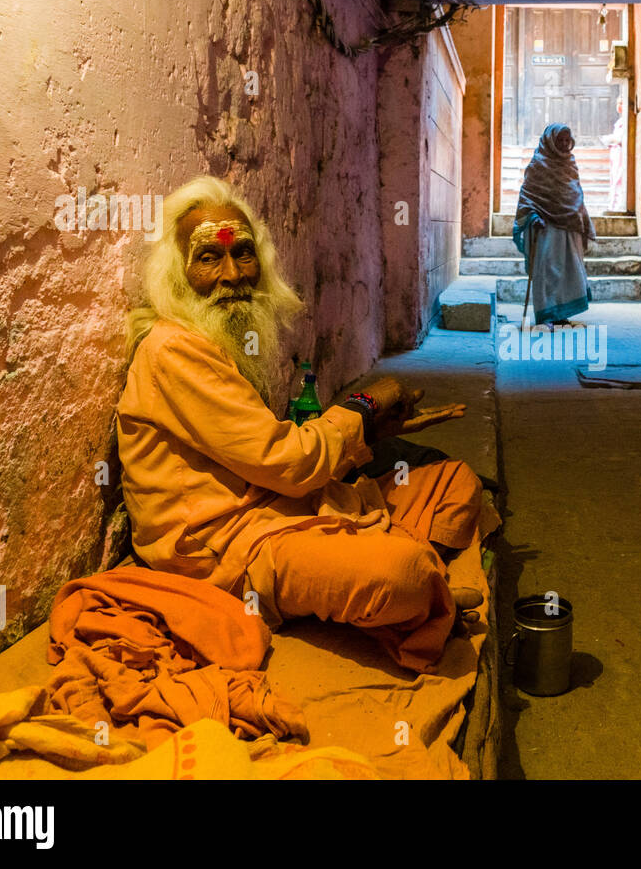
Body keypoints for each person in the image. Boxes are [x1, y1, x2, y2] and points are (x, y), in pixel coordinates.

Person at [117, 177, 490, 675]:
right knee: (403, 575)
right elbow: (287, 463)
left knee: (455, 481)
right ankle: (406, 582)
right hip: (234, 552)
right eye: (209, 258)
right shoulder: (173, 349)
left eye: (242, 254)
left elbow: (270, 458)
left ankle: (385, 580)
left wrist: (371, 433)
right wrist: (360, 404)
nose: (232, 275)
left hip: (284, 509)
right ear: (179, 274)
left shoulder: (215, 335)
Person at [512, 123, 596, 326]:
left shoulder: (570, 165)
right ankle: (546, 315)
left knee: (568, 272)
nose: (565, 144)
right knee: (547, 272)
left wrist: (580, 219)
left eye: (568, 140)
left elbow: (575, 196)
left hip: (569, 228)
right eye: (560, 140)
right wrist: (533, 217)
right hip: (545, 228)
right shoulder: (537, 166)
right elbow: (527, 197)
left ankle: (561, 314)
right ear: (550, 141)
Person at [603, 96, 627, 212]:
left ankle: (617, 206)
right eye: (618, 103)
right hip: (616, 155)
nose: (619, 106)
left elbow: (621, 139)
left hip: (621, 155)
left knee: (619, 179)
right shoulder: (620, 122)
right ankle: (613, 206)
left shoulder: (626, 121)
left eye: (622, 103)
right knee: (615, 179)